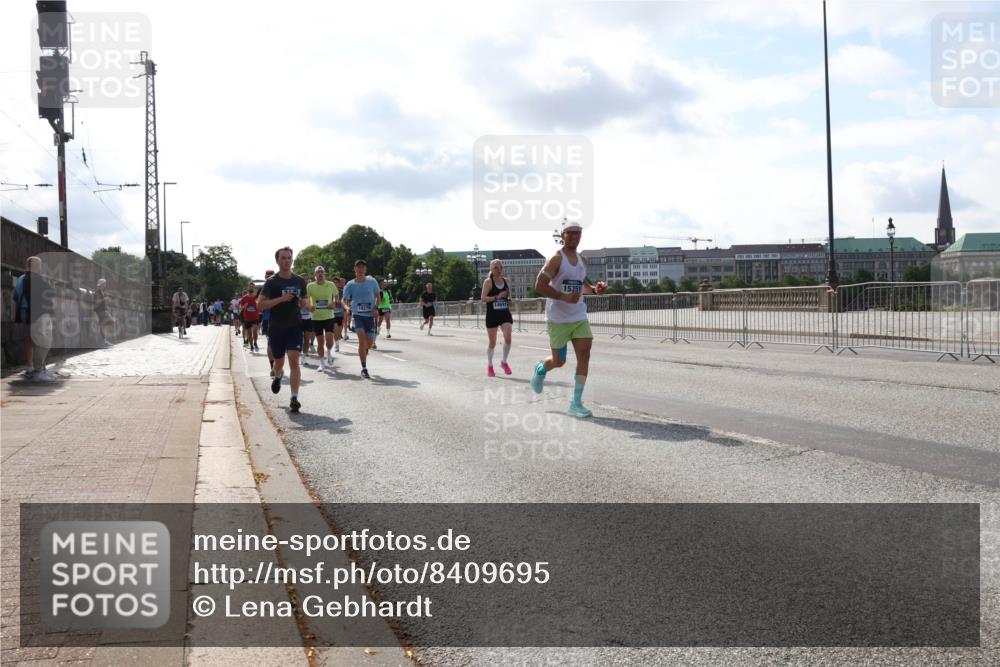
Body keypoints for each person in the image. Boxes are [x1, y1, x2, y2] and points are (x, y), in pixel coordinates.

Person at [530, 220, 607, 417]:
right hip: (558, 317)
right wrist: (563, 296)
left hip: (579, 316)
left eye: (577, 233)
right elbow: (540, 285)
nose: (574, 236)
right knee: (559, 361)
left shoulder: (584, 260)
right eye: (570, 233)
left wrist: (595, 291)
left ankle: (576, 403)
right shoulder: (556, 259)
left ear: (581, 236)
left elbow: (580, 284)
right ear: (562, 236)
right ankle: (541, 368)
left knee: (585, 354)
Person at [257, 248, 309, 412]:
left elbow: (306, 301)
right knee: (279, 362)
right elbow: (260, 305)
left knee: (294, 361)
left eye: (289, 258)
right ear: (278, 261)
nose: (287, 260)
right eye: (284, 258)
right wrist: (281, 299)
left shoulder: (300, 281)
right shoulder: (272, 282)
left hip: (294, 326)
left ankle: (294, 398)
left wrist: (303, 303)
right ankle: (278, 375)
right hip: (277, 327)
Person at [12, 256, 56, 381]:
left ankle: (37, 368)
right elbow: (49, 293)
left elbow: (16, 297)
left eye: (40, 265)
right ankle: (38, 370)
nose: (40, 267)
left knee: (33, 340)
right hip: (38, 314)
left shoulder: (24, 278)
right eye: (38, 265)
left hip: (29, 314)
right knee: (42, 341)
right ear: (31, 266)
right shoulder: (32, 279)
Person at [341, 259, 380, 379]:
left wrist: (375, 308)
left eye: (362, 267)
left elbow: (378, 297)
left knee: (368, 343)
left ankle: (364, 351)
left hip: (370, 316)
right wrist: (347, 307)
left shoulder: (372, 281)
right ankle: (364, 368)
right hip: (357, 315)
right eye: (358, 267)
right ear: (355, 269)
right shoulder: (350, 284)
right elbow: (344, 299)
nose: (360, 269)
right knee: (362, 340)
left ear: (365, 269)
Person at [482, 259, 514, 376]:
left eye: (501, 267)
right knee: (492, 342)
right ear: (491, 269)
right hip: (492, 315)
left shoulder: (507, 281)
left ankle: (504, 362)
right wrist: (496, 297)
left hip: (505, 313)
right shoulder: (488, 282)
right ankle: (490, 365)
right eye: (496, 268)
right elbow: (483, 298)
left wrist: (509, 300)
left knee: (508, 338)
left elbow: (507, 297)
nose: (499, 269)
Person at [307, 266, 338, 371]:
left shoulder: (331, 285)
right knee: (320, 342)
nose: (320, 274)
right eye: (318, 272)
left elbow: (337, 296)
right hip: (316, 317)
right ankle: (321, 363)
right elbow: (306, 299)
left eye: (322, 272)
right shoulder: (310, 286)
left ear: (325, 274)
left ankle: (329, 353)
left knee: (329, 339)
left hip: (329, 316)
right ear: (315, 275)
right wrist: (309, 306)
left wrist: (334, 304)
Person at [259, 269, 276, 374]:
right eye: (267, 276)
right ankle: (272, 366)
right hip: (268, 319)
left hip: (281, 319)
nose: (269, 277)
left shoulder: (279, 287)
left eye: (271, 275)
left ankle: (276, 365)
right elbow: (259, 306)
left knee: (277, 345)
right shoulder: (262, 289)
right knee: (271, 345)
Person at [239, 283, 261, 351]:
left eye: (253, 286)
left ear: (254, 288)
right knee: (249, 333)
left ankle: (255, 343)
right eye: (250, 286)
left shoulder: (257, 297)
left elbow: (261, 304)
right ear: (248, 288)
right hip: (247, 318)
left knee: (255, 331)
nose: (251, 288)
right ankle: (251, 345)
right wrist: (243, 307)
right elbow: (240, 307)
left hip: (255, 317)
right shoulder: (244, 298)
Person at [93, 278, 115, 346]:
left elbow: (102, 301)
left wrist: (106, 300)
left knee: (104, 325)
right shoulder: (97, 292)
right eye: (104, 284)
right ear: (101, 284)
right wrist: (104, 299)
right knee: (111, 321)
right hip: (101, 311)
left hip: (103, 310)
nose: (105, 285)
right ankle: (104, 341)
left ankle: (104, 341)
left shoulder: (102, 292)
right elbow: (96, 301)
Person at [299, 272, 315, 357]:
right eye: (303, 279)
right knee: (299, 338)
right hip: (298, 318)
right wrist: (301, 305)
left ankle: (304, 356)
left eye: (306, 279)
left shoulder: (311, 290)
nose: (305, 281)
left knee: (306, 338)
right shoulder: (297, 290)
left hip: (309, 317)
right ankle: (299, 352)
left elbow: (313, 304)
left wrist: (311, 307)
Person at [332, 277, 346, 352]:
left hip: (340, 312)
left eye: (336, 282)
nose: (335, 284)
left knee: (339, 329)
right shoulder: (329, 291)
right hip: (332, 313)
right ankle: (336, 345)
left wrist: (345, 309)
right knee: (335, 328)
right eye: (334, 282)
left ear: (338, 283)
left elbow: (345, 300)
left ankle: (338, 338)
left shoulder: (342, 291)